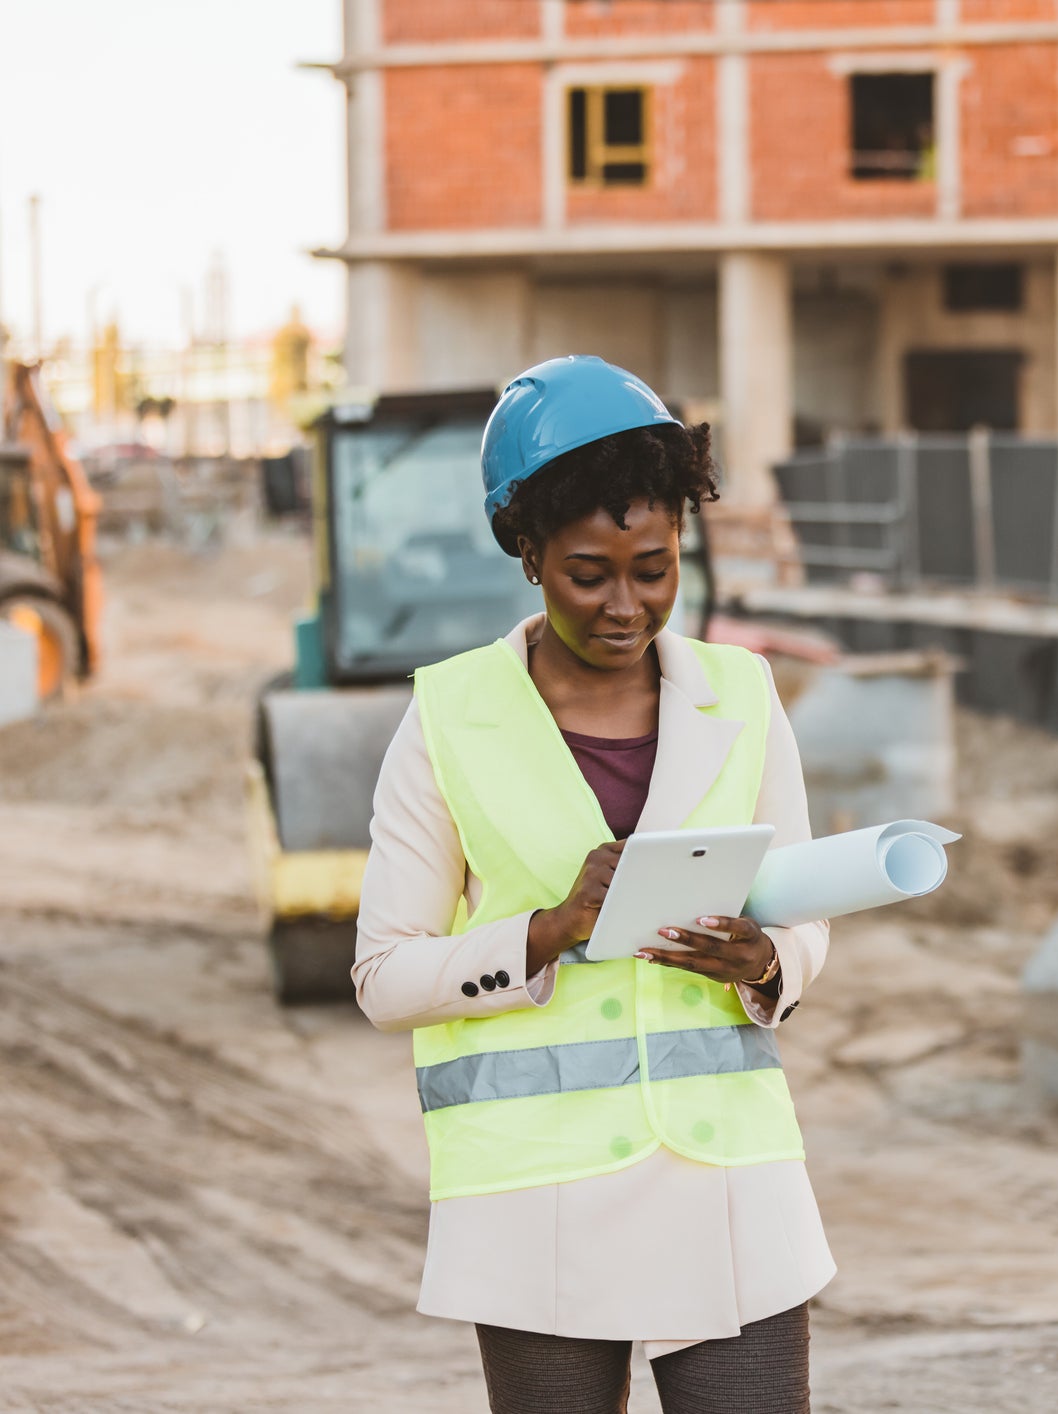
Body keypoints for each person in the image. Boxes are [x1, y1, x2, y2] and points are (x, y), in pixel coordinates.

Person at [353, 355, 832, 1414]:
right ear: (525, 551)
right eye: (588, 573)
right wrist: (545, 931)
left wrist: (767, 961)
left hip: (726, 1170)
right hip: (534, 1190)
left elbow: (799, 917)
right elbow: (385, 977)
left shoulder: (741, 697)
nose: (627, 605)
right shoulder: (447, 719)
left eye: (653, 567)